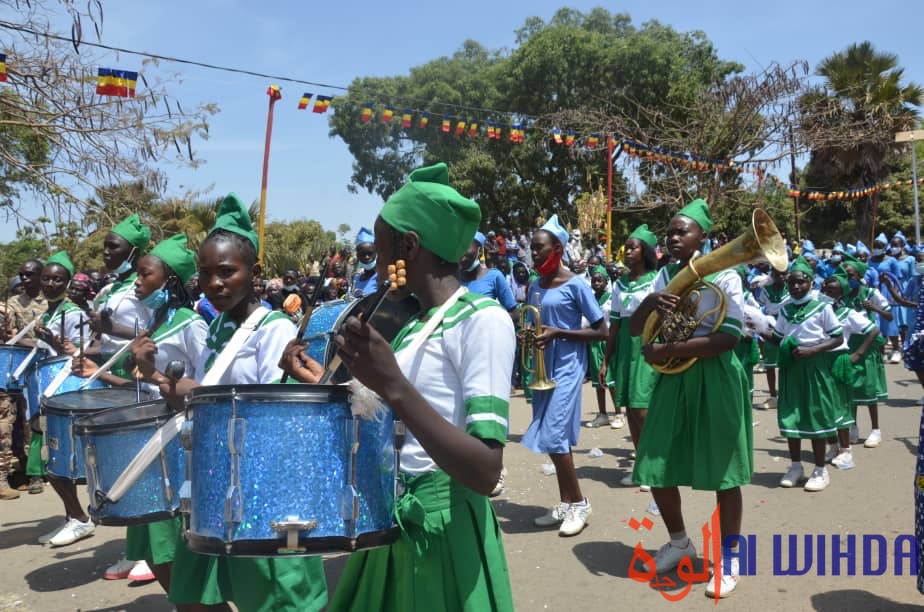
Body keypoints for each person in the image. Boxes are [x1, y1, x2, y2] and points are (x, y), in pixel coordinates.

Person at [322, 162, 515, 611]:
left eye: (383, 248)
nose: (378, 263)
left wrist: (392, 383)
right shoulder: (411, 322)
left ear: (409, 245)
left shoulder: (482, 320)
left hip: (444, 527)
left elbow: (486, 471)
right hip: (396, 516)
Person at [139, 194, 327, 612]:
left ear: (254, 273)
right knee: (193, 596)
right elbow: (205, 395)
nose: (214, 283)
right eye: (206, 274)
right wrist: (154, 374)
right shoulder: (219, 325)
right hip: (216, 476)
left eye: (227, 272)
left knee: (275, 599)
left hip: (264, 485)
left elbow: (271, 413)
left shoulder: (273, 329)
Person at [629, 199, 750, 598]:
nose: (674, 237)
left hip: (714, 377)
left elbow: (729, 336)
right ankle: (680, 541)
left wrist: (666, 351)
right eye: (671, 231)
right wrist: (650, 304)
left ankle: (729, 560)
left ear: (703, 237)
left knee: (723, 471)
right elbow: (635, 329)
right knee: (655, 462)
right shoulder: (660, 274)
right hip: (673, 380)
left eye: (683, 231)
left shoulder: (725, 273)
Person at [75, 234, 208, 593]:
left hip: (174, 441)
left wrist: (154, 375)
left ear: (170, 282)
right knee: (148, 546)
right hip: (144, 435)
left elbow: (205, 389)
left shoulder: (189, 324)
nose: (137, 279)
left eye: (145, 274)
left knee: (168, 545)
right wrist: (97, 372)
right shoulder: (153, 322)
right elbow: (139, 381)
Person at [523, 214, 607, 537]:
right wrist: (528, 335)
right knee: (550, 437)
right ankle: (565, 503)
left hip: (569, 366)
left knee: (555, 435)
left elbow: (602, 331)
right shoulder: (534, 286)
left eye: (540, 248)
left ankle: (580, 504)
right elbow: (534, 324)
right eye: (532, 248)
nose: (534, 253)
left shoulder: (576, 284)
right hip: (543, 364)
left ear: (557, 248)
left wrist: (560, 332)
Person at [762, 257, 848, 495]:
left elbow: (838, 337)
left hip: (814, 367)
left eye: (801, 283)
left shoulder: (823, 307)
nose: (796, 287)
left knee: (815, 416)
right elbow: (779, 337)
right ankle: (796, 466)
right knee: (792, 416)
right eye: (792, 283)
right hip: (791, 368)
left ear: (810, 282)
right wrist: (759, 328)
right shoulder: (786, 309)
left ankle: (820, 469)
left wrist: (813, 349)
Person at [599, 225, 659, 483]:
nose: (627, 252)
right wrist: (605, 360)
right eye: (626, 247)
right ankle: (641, 466)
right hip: (624, 346)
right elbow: (614, 324)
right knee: (630, 411)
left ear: (644, 251)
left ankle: (654, 465)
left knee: (642, 409)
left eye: (633, 247)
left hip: (646, 346)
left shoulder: (657, 280)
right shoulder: (619, 283)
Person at [820, 271, 880, 470]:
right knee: (823, 406)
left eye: (832, 290)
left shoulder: (847, 313)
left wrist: (858, 354)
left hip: (838, 361)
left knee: (841, 406)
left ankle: (846, 451)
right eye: (825, 288)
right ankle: (833, 445)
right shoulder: (816, 310)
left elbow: (873, 330)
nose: (827, 292)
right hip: (818, 362)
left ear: (841, 294)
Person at [0, 259, 45, 500]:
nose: (25, 279)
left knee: (33, 422)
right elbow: (8, 338)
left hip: (40, 368)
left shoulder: (50, 302)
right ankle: (11, 474)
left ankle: (34, 472)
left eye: (30, 274)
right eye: (22, 274)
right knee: (8, 423)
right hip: (14, 367)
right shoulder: (12, 305)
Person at [841, 252, 891, 447]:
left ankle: (875, 429)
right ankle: (853, 427)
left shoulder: (871, 293)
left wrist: (875, 308)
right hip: (847, 345)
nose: (847, 279)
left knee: (869, 389)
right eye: (844, 275)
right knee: (849, 388)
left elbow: (889, 317)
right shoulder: (841, 296)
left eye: (851, 276)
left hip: (868, 345)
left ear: (859, 276)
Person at [585, 266, 622, 429]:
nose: (596, 283)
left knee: (610, 378)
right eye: (593, 280)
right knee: (597, 381)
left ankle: (619, 413)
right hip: (594, 342)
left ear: (607, 282)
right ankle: (602, 414)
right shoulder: (590, 299)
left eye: (600, 280)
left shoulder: (611, 298)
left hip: (608, 342)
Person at [753, 268, 789, 409]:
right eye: (776, 274)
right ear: (771, 275)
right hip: (770, 327)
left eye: (783, 273)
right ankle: (773, 397)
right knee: (770, 365)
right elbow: (761, 307)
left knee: (786, 364)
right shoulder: (766, 290)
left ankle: (787, 395)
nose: (780, 276)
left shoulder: (792, 288)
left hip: (787, 327)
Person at [459, 232, 517, 313]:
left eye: (466, 247)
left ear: (479, 251)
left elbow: (514, 313)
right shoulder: (453, 280)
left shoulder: (494, 277)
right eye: (458, 247)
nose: (460, 252)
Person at [351, 226, 379, 297]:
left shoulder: (382, 279)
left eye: (370, 253)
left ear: (376, 253)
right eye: (363, 254)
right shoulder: (356, 279)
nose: (367, 257)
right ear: (357, 256)